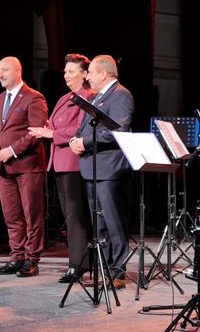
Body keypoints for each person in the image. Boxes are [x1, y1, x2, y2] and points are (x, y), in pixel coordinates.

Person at [28, 53, 94, 283]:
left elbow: (80, 129)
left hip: (74, 162)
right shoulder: (65, 98)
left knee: (75, 215)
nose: (66, 75)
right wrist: (45, 128)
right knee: (69, 214)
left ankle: (78, 265)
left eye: (71, 71)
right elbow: (55, 124)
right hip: (59, 161)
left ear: (84, 74)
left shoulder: (88, 97)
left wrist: (51, 133)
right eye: (65, 71)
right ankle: (79, 262)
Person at [69, 54, 134, 289]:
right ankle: (104, 269)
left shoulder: (121, 95)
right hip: (93, 167)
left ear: (104, 74)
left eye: (92, 72)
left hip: (109, 169)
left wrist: (84, 142)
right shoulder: (96, 97)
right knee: (100, 223)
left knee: (113, 222)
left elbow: (118, 131)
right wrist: (76, 139)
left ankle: (117, 272)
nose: (88, 77)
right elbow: (86, 127)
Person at [0, 56, 48, 277]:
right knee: (11, 216)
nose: (0, 75)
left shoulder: (34, 97)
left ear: (18, 71)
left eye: (5, 70)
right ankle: (17, 256)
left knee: (32, 215)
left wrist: (10, 150)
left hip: (28, 166)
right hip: (4, 168)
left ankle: (32, 259)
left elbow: (36, 132)